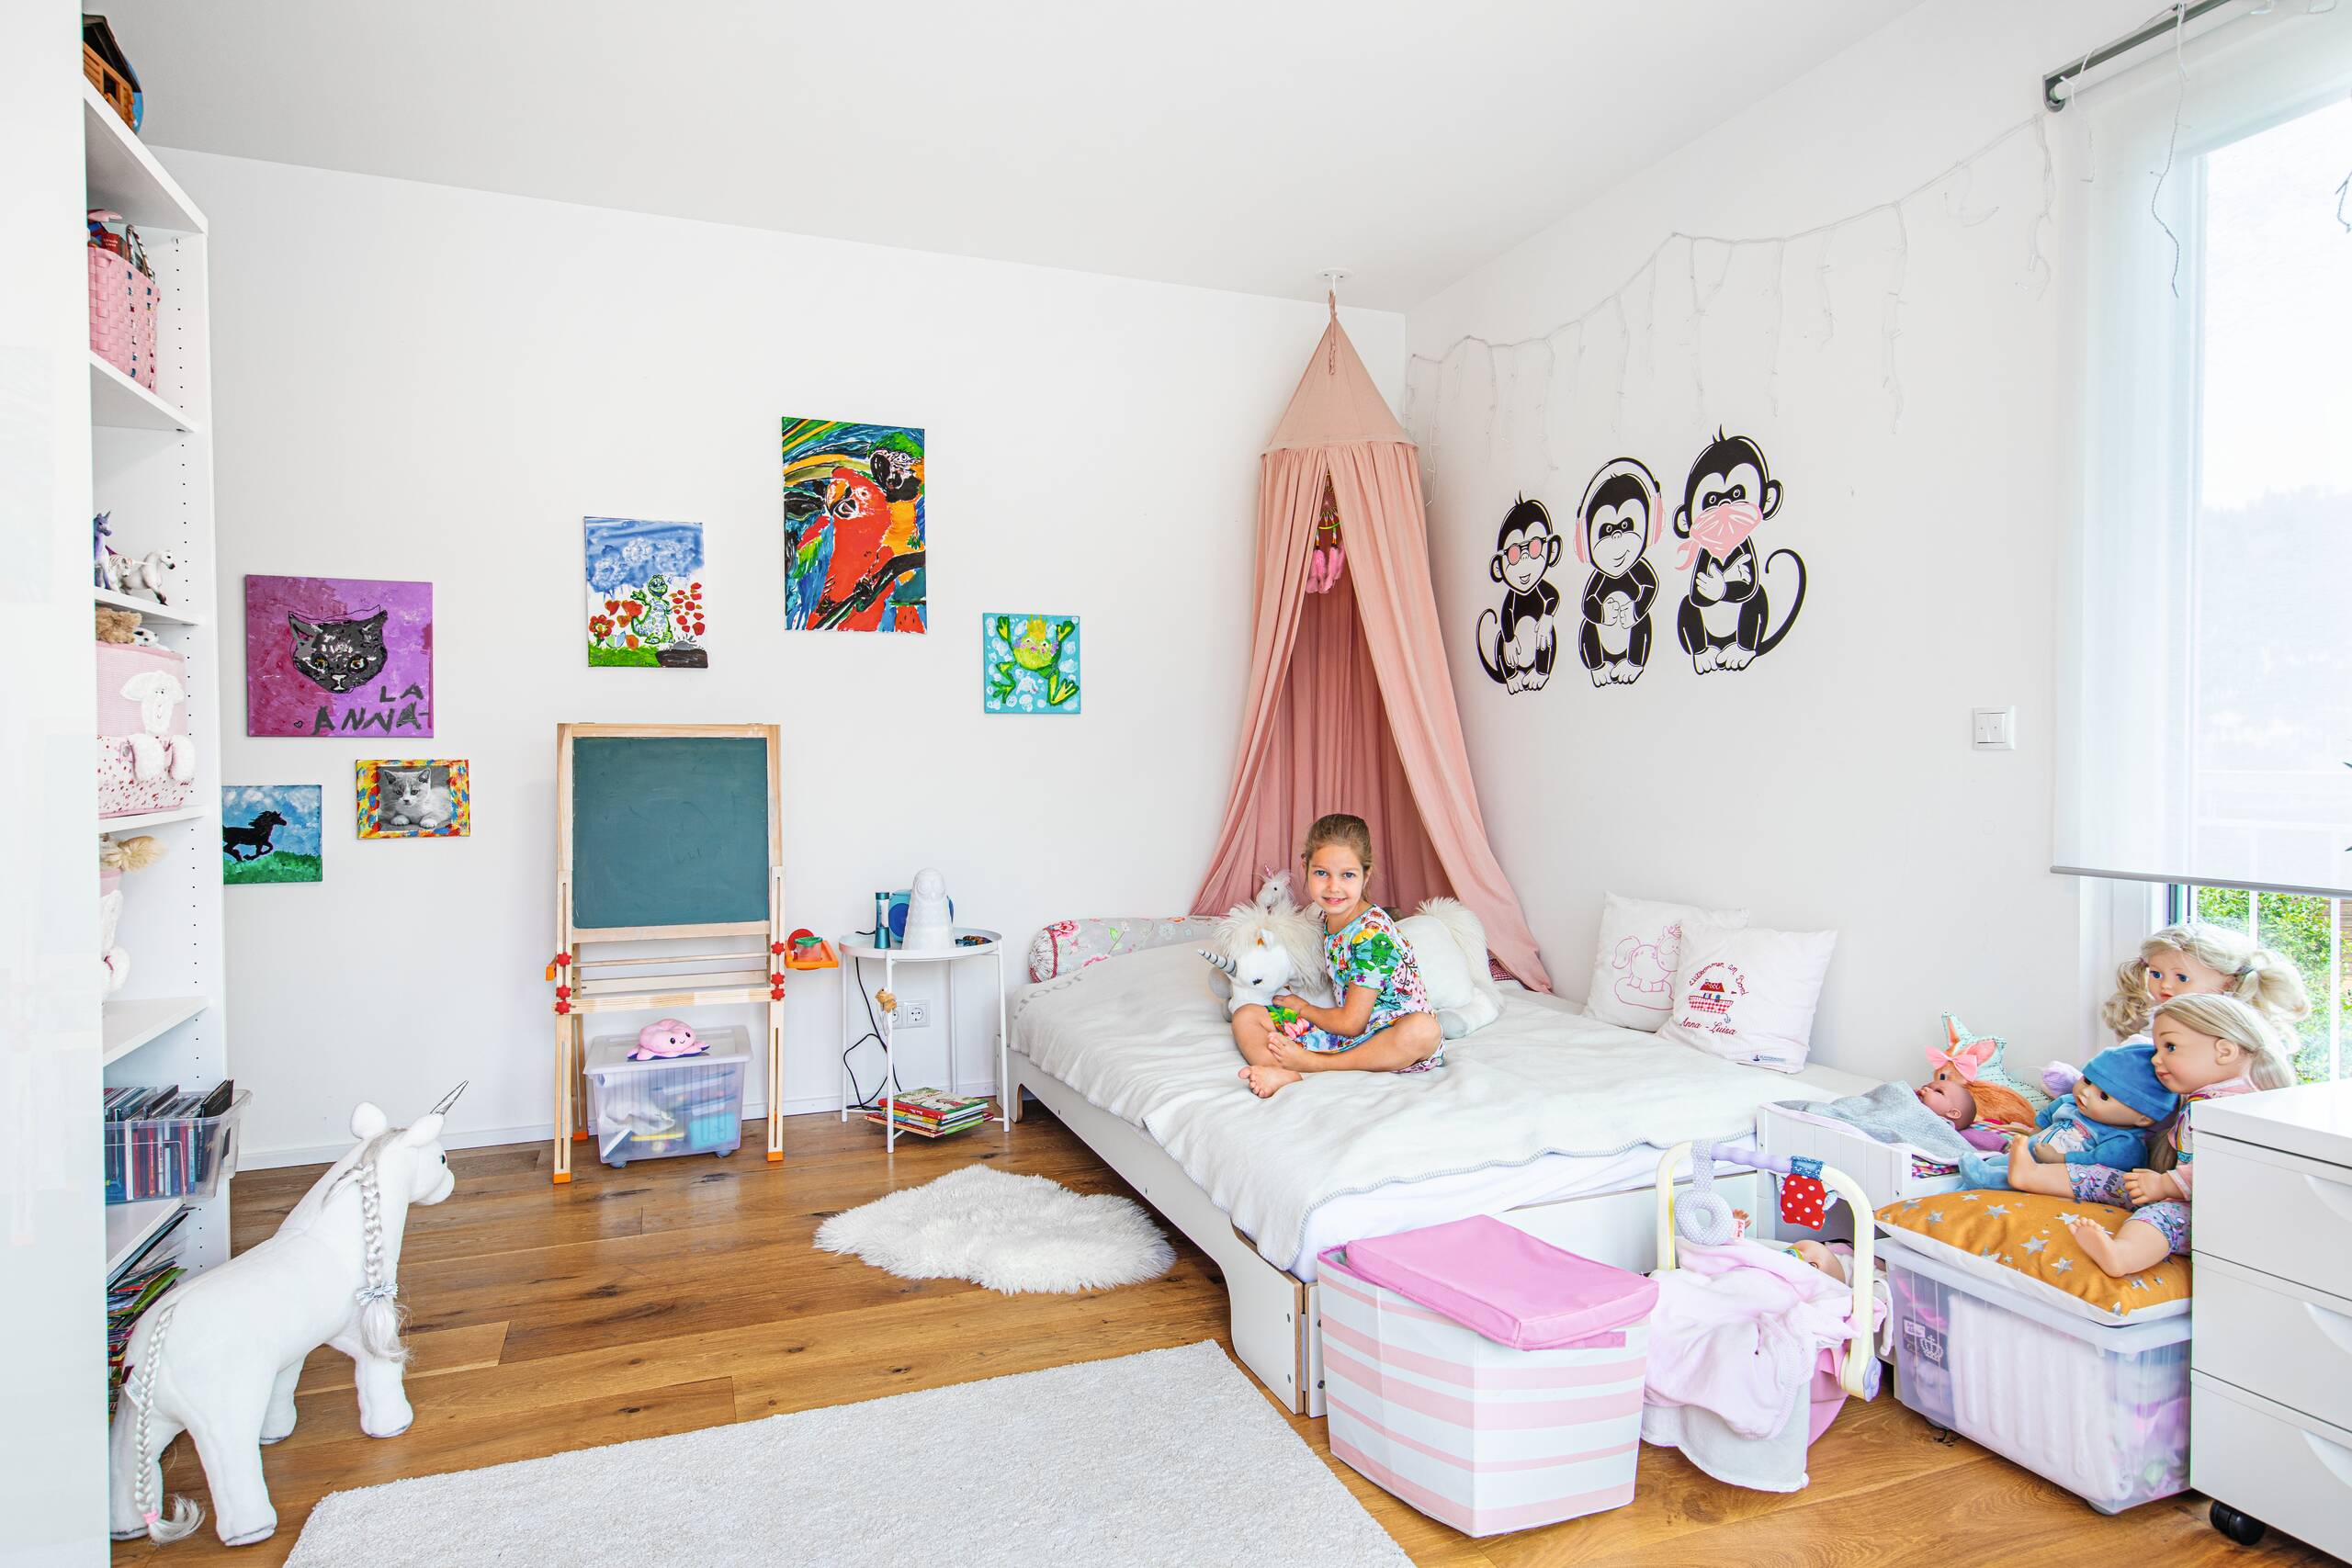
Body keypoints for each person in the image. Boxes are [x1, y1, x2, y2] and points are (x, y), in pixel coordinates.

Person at [1232, 813, 1442, 1099]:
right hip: (1347, 1035)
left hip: (1388, 1037)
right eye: (1322, 873)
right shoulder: (1326, 917)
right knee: (1246, 1016)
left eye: (1348, 875)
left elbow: (1352, 1023)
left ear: (1366, 875)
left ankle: (1315, 1065)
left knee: (1424, 1031)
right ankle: (1282, 1070)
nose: (1333, 887)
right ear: (1305, 868)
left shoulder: (1373, 937)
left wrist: (1303, 1008)